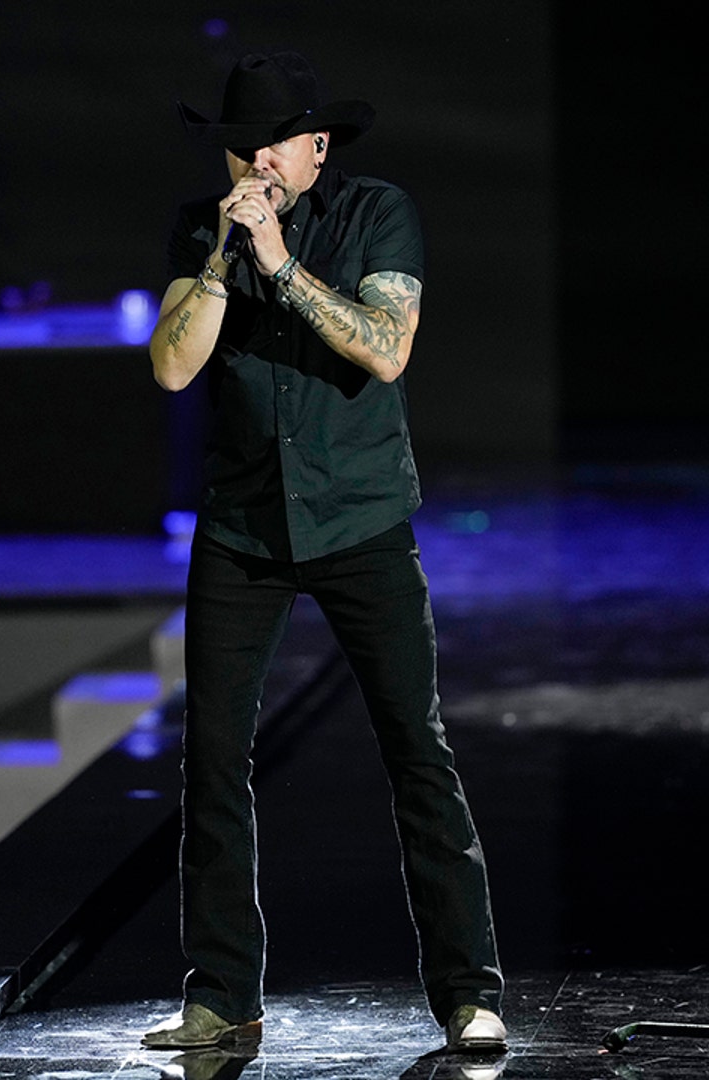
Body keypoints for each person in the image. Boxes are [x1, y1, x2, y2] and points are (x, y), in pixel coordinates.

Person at [142, 51, 507, 1055]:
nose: (258, 162)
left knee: (415, 750)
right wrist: (227, 251)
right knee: (212, 761)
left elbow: (386, 348)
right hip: (244, 530)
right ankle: (222, 996)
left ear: (317, 145)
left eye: (276, 144)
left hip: (359, 520)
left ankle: (469, 992)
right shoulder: (201, 227)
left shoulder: (377, 214)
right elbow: (175, 368)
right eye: (241, 145)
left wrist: (283, 268)